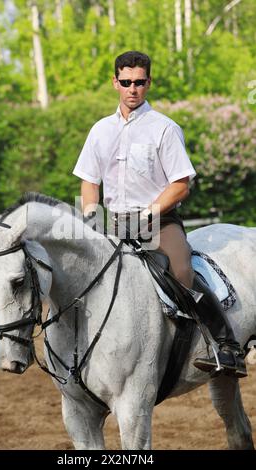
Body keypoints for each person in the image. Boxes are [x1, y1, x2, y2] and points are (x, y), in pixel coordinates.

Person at [73, 50, 247, 378]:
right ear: (115, 83)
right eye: (126, 82)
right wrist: (90, 217)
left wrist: (148, 213)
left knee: (182, 271)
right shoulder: (99, 131)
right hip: (113, 223)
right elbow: (88, 182)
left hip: (160, 222)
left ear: (149, 82)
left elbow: (181, 185)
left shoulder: (164, 129)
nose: (133, 89)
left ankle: (226, 346)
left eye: (139, 82)